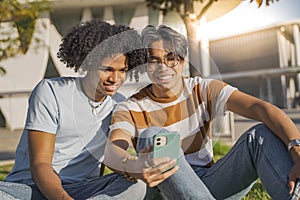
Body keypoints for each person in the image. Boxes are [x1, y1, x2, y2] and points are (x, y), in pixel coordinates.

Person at [104, 24, 300, 200]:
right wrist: (133, 166)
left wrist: (297, 148)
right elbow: (113, 151)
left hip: (211, 183)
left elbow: (260, 108)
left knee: (259, 135)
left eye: (170, 58)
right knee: (153, 136)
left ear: (182, 61)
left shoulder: (202, 89)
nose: (162, 67)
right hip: (165, 191)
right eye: (154, 60)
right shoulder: (131, 106)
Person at [0, 19, 147, 200]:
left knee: (136, 186)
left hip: (81, 189)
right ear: (87, 63)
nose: (115, 78)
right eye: (106, 69)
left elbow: (111, 159)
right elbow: (41, 164)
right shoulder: (51, 91)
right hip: (30, 188)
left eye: (122, 70)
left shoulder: (120, 105)